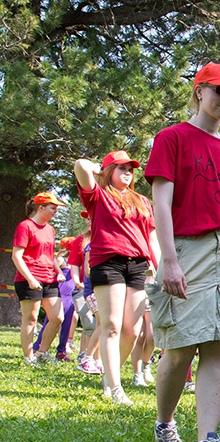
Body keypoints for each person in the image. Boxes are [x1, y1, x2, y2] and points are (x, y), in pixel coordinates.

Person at [145, 61, 220, 442]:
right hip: (185, 247)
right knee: (180, 345)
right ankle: (165, 424)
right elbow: (161, 202)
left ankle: (208, 439)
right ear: (199, 91)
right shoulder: (171, 138)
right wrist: (169, 261)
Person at [73, 150, 156, 405]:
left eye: (130, 168)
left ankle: (110, 376)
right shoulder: (97, 196)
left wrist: (158, 265)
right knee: (111, 326)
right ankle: (116, 388)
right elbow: (80, 164)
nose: (128, 172)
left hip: (138, 265)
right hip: (108, 263)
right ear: (109, 171)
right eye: (121, 168)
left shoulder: (141, 200)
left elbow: (150, 236)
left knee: (131, 331)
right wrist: (101, 170)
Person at [12, 192, 66, 365]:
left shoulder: (50, 229)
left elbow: (50, 256)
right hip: (29, 278)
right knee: (31, 319)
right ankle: (29, 357)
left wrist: (58, 271)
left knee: (58, 317)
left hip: (49, 278)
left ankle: (42, 352)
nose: (55, 211)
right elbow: (16, 256)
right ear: (40, 207)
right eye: (53, 208)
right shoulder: (25, 226)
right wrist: (30, 279)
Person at [67, 215, 103, 374]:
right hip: (86, 288)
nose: (89, 221)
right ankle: (87, 356)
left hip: (99, 287)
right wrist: (76, 281)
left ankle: (95, 358)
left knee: (99, 324)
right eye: (88, 219)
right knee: (90, 322)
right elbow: (75, 264)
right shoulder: (82, 242)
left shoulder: (102, 238)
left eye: (92, 218)